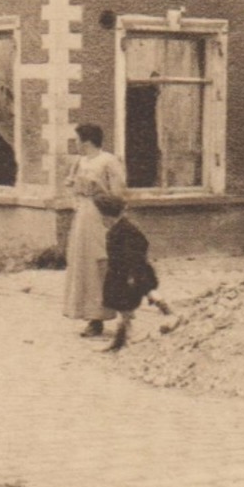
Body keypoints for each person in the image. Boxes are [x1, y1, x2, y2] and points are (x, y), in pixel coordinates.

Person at [63, 123, 126, 336]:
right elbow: (72, 188)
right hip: (82, 216)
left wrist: (111, 217)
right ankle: (90, 316)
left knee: (100, 264)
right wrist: (76, 196)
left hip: (100, 216)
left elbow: (118, 194)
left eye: (77, 140)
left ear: (87, 141)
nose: (76, 144)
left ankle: (105, 315)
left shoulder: (109, 161)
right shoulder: (80, 162)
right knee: (82, 263)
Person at [98, 197, 161, 352]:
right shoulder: (118, 228)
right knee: (124, 304)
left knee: (129, 302)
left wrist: (131, 274)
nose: (102, 219)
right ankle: (122, 337)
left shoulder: (126, 230)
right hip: (121, 271)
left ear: (108, 216)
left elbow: (136, 252)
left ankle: (127, 336)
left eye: (103, 216)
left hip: (130, 272)